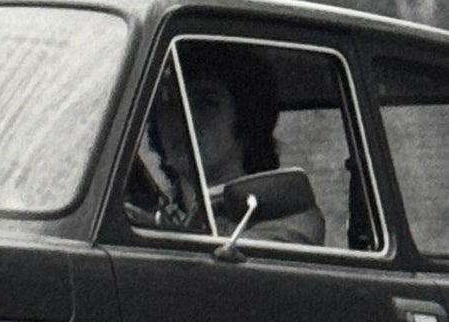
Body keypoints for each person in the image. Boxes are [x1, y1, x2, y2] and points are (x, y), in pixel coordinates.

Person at [128, 43, 326, 246]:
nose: (183, 118)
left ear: (246, 118)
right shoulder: (154, 215)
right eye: (169, 102)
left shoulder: (284, 216)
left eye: (206, 103)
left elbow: (233, 269)